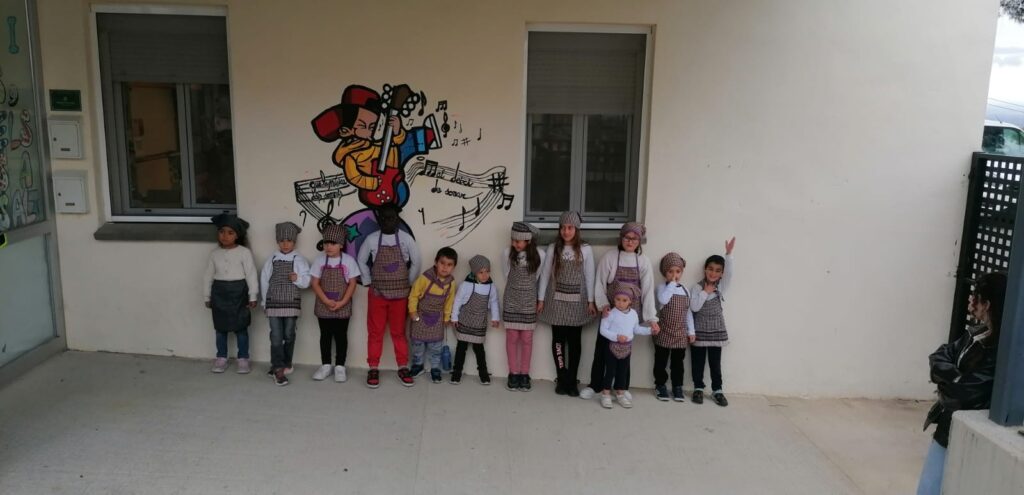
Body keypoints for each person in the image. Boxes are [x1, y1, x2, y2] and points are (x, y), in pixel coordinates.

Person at [917, 272, 1007, 495]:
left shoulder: (998, 351)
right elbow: (939, 356)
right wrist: (955, 378)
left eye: (976, 296)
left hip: (965, 431)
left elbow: (963, 393)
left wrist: (948, 381)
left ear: (987, 304)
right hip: (947, 426)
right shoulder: (975, 334)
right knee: (928, 487)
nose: (970, 300)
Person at [357, 205, 421, 388]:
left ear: (397, 219)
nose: (387, 221)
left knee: (398, 332)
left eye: (391, 217)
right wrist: (367, 280)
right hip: (377, 294)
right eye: (383, 218)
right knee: (375, 332)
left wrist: (408, 282)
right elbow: (361, 260)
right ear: (378, 219)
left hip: (400, 296)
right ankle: (373, 367)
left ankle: (402, 366)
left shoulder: (406, 239)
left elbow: (416, 261)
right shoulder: (372, 239)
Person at [538, 211, 597, 396]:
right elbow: (545, 274)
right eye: (563, 227)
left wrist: (591, 301)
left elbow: (590, 275)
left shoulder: (585, 249)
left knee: (575, 343)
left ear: (576, 229)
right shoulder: (553, 248)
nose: (566, 231)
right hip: (556, 301)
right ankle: (561, 377)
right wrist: (540, 299)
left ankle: (572, 380)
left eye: (570, 227)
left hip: (577, 303)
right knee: (558, 341)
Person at [204, 214, 258, 374]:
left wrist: (253, 295)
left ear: (237, 235)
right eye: (222, 232)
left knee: (241, 328)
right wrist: (207, 296)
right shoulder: (214, 254)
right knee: (220, 328)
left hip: (239, 293)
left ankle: (243, 359)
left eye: (230, 232)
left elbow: (251, 274)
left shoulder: (244, 252)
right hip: (219, 293)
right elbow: (208, 276)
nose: (225, 236)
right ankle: (221, 357)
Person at [259, 221, 311, 386]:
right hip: (274, 303)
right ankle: (277, 369)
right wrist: (264, 302)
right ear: (277, 241)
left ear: (294, 242)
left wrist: (298, 279)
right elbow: (264, 280)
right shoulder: (272, 259)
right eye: (282, 241)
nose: (285, 244)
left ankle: (286, 363)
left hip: (291, 304)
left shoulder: (299, 259)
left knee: (289, 335)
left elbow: (307, 281)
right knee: (276, 336)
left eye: (289, 240)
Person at [309, 224, 361, 384]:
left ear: (341, 245)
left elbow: (352, 283)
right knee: (325, 335)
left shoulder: (349, 261)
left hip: (343, 305)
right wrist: (325, 300)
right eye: (326, 243)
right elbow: (315, 283)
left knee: (341, 336)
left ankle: (340, 366)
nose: (328, 246)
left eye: (333, 243)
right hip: (323, 304)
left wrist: (343, 302)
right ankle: (325, 365)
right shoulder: (319, 260)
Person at [690, 237, 736, 407]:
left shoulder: (721, 287)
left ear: (721, 273)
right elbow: (694, 307)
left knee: (715, 363)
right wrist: (705, 292)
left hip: (716, 331)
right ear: (705, 269)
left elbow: (730, 273)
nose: (713, 273)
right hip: (699, 332)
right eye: (710, 269)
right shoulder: (697, 288)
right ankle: (698, 388)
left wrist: (728, 254)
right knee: (698, 362)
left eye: (718, 270)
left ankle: (717, 390)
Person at [502, 221, 545, 391]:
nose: (514, 244)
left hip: (529, 301)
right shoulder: (507, 253)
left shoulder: (540, 255)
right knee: (512, 338)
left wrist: (538, 299)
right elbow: (506, 274)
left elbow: (539, 277)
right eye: (513, 240)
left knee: (527, 339)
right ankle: (513, 373)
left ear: (528, 240)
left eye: (518, 241)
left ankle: (525, 374)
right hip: (511, 301)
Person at [408, 247, 458, 384]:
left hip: (437, 318)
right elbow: (413, 295)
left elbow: (449, 302)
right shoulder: (425, 278)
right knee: (417, 344)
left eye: (449, 265)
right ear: (436, 262)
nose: (445, 267)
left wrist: (446, 317)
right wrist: (412, 311)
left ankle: (435, 368)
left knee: (436, 346)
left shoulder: (451, 283)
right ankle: (418, 365)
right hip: (420, 316)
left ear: (454, 267)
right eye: (442, 263)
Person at [652, 252, 696, 402]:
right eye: (670, 271)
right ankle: (660, 385)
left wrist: (691, 331)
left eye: (678, 271)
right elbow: (663, 300)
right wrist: (671, 284)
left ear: (682, 272)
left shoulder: (685, 290)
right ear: (665, 272)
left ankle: (677, 386)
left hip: (680, 333)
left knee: (678, 363)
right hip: (664, 331)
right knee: (661, 361)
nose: (674, 275)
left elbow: (688, 312)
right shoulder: (661, 288)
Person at [597, 290, 653, 409]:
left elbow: (636, 329)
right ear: (614, 299)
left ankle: (620, 394)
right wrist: (616, 336)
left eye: (624, 300)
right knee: (610, 371)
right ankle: (605, 394)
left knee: (622, 372)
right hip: (612, 347)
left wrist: (650, 330)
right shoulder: (610, 313)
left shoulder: (633, 314)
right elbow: (603, 330)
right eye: (617, 300)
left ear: (630, 301)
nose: (620, 303)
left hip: (626, 348)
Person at [450, 255, 500, 385]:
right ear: (474, 272)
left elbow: (494, 302)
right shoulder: (466, 285)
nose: (485, 275)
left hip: (479, 324)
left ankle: (483, 373)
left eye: (487, 271)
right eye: (481, 272)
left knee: (479, 350)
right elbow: (457, 301)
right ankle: (456, 373)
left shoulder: (491, 287)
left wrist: (495, 317)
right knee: (461, 348)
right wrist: (454, 317)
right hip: (465, 321)